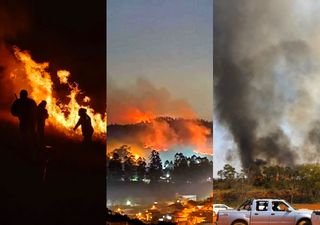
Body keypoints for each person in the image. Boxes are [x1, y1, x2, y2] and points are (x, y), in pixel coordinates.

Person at [11, 90, 38, 157]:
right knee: (24, 135)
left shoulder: (29, 102)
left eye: (23, 94)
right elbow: (13, 110)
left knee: (31, 134)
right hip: (24, 121)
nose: (22, 96)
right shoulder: (18, 102)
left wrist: (31, 116)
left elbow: (35, 111)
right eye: (22, 94)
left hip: (30, 121)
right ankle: (26, 148)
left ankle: (34, 148)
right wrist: (18, 114)